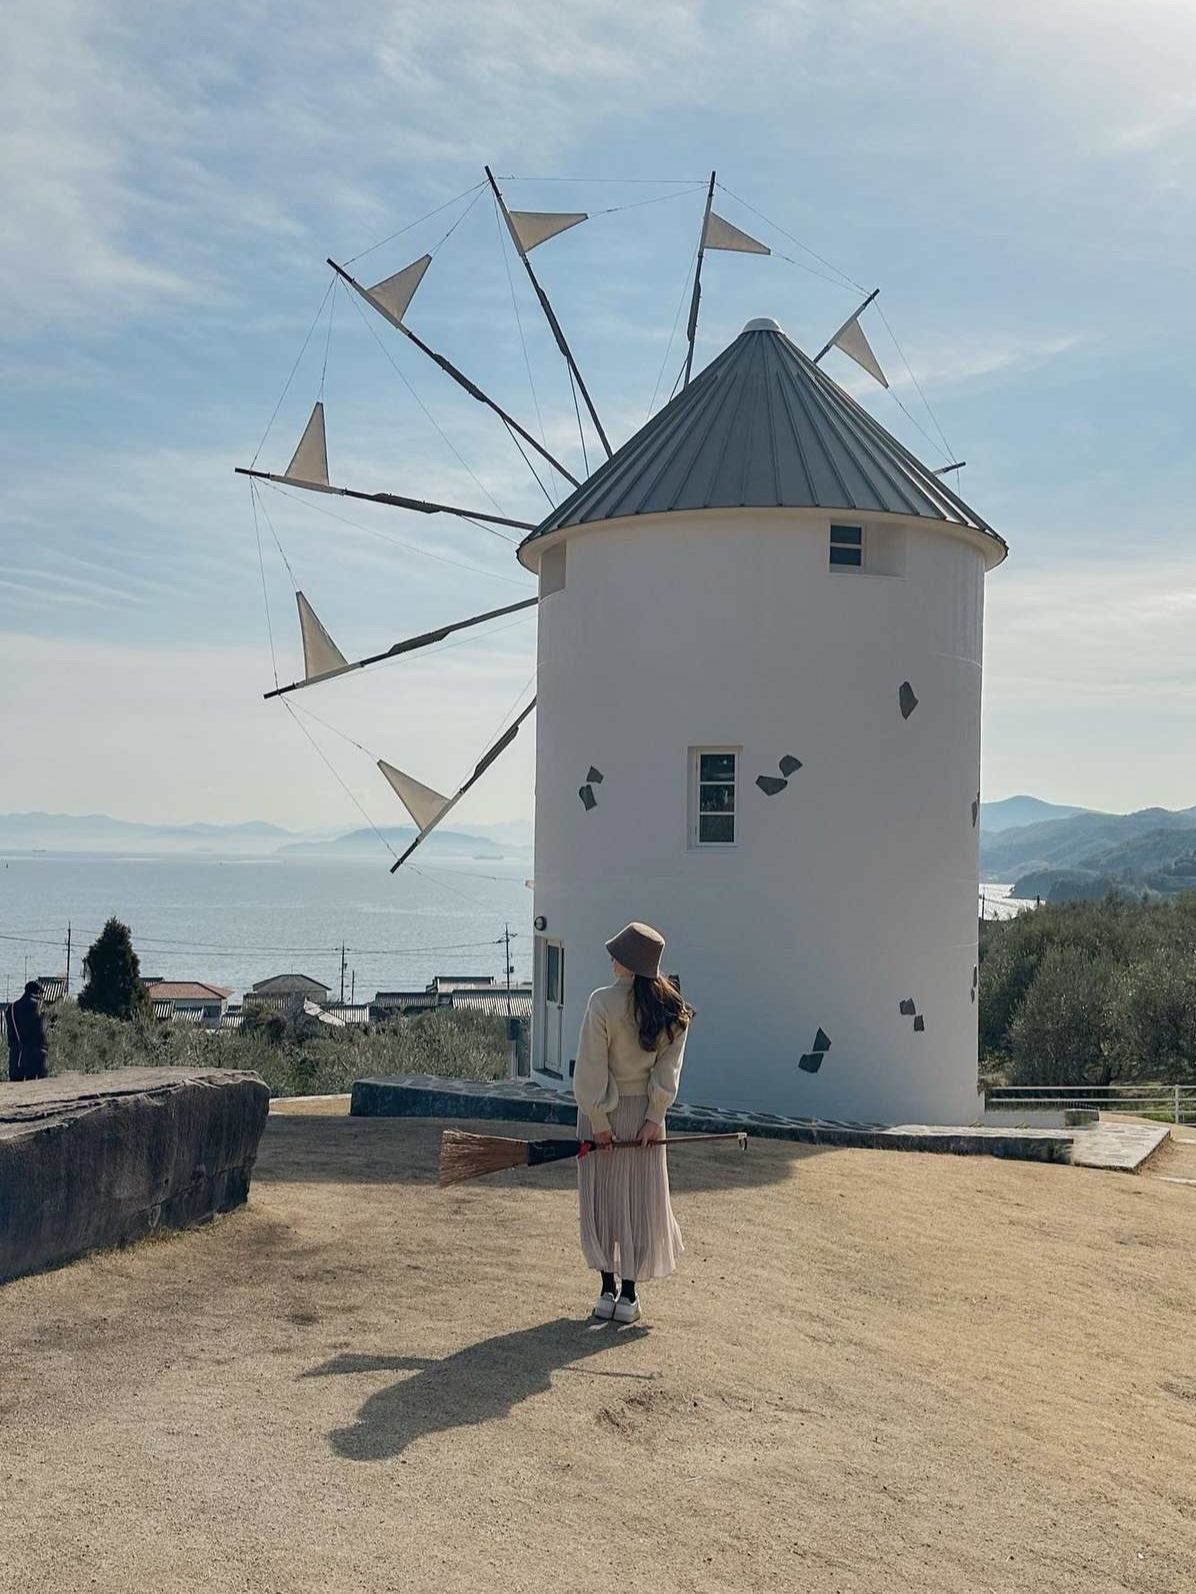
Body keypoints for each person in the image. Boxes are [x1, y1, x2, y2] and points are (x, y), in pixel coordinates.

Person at [572, 922, 693, 1325]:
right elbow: (668, 1069)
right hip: (645, 1117)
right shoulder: (672, 1009)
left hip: (603, 1112)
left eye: (617, 954)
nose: (611, 959)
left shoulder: (602, 1003)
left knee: (603, 1199)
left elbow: (591, 1066)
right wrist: (654, 1117)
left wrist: (599, 1120)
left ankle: (606, 1290)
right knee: (638, 1201)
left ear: (627, 963)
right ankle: (629, 1295)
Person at [5, 979, 48, 1083]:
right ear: (38, 993)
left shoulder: (11, 1008)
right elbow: (42, 1031)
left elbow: (10, 1033)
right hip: (35, 1056)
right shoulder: (38, 1006)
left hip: (16, 1057)